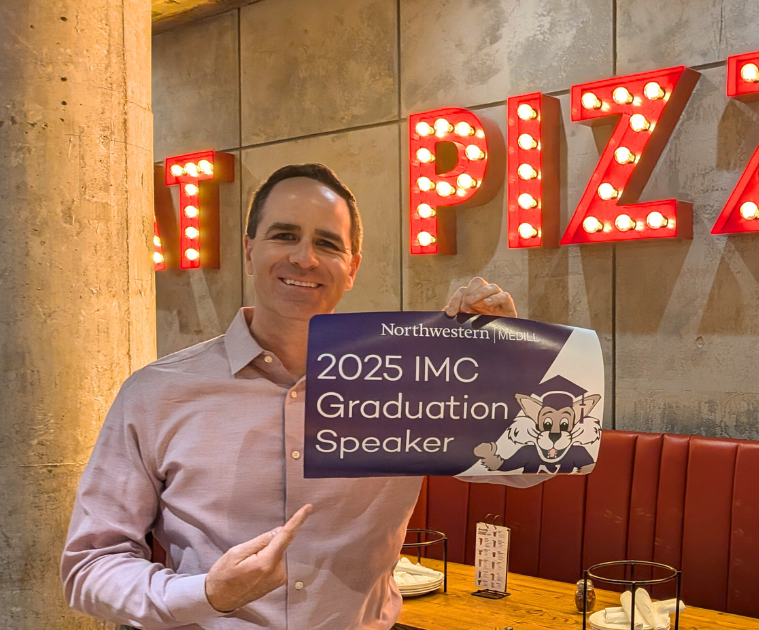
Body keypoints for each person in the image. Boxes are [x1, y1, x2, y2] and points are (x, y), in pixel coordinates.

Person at [61, 163, 524, 630]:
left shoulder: (411, 384)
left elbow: (528, 469)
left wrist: (505, 362)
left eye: (327, 243)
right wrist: (204, 594)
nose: (304, 258)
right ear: (249, 251)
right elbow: (91, 566)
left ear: (353, 268)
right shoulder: (156, 393)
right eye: (284, 235)